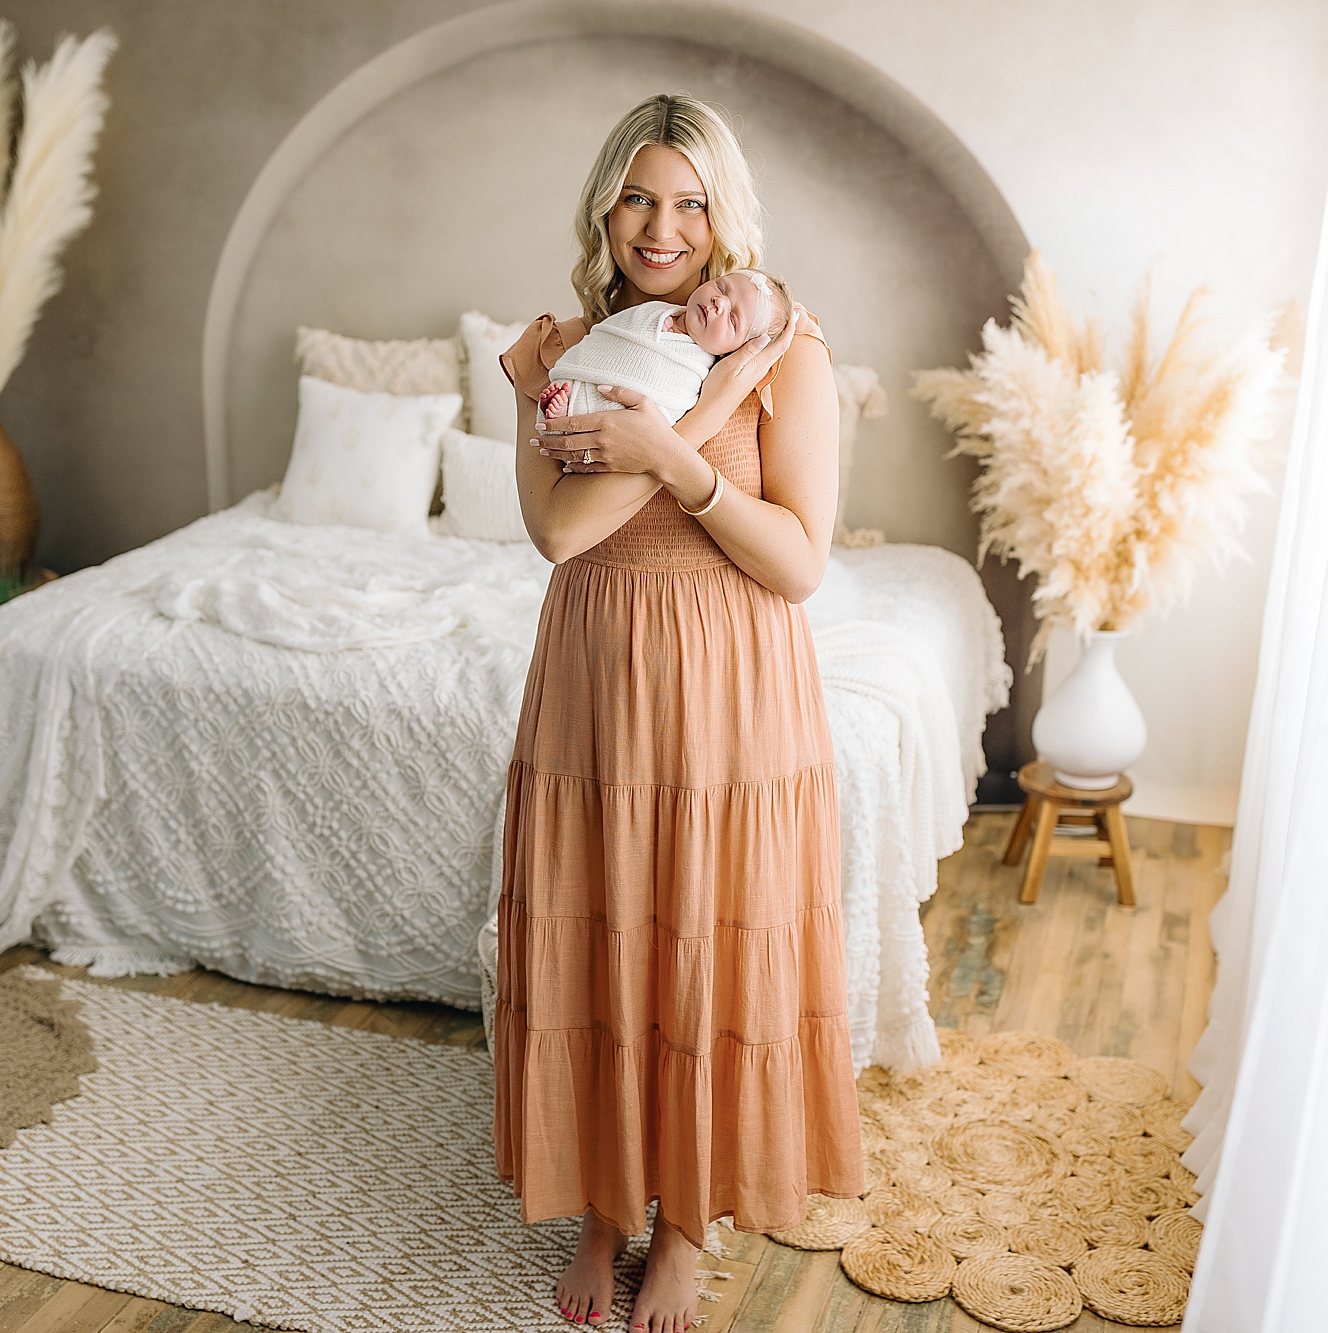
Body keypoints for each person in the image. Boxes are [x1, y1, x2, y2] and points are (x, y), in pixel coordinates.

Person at [494, 92, 860, 1333]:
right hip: (596, 668)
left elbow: (800, 563)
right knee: (602, 931)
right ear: (604, 205)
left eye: (691, 201)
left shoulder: (785, 349)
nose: (663, 227)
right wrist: (679, 419)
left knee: (707, 932)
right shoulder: (570, 350)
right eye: (640, 196)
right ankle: (602, 1205)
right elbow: (560, 532)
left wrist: (678, 456)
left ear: (724, 216)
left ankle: (687, 1224)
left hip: (728, 680)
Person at [536, 268, 794, 425]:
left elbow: (665, 415)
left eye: (732, 318)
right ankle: (568, 402)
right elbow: (608, 336)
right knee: (565, 392)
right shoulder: (655, 310)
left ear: (734, 351)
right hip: (585, 378)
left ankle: (573, 411)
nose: (719, 302)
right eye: (721, 287)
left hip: (614, 420)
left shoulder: (695, 371)